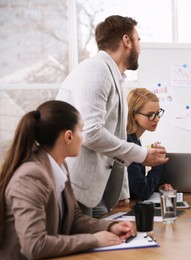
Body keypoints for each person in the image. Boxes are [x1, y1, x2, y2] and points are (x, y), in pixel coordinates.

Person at [56, 15, 168, 217]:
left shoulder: (111, 74)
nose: (139, 47)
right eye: (138, 39)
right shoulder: (96, 70)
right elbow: (91, 132)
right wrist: (142, 155)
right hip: (75, 185)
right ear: (127, 41)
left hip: (94, 188)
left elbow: (115, 137)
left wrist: (123, 189)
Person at [0, 101, 136, 259]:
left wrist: (110, 226)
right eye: (82, 130)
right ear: (68, 136)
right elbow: (35, 246)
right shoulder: (30, 177)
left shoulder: (59, 165)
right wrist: (93, 240)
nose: (83, 138)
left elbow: (74, 219)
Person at [126, 88, 173, 200]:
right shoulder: (128, 143)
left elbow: (135, 187)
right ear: (133, 115)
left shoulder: (135, 140)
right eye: (151, 114)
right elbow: (143, 191)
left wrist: (157, 187)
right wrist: (159, 163)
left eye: (158, 113)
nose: (156, 119)